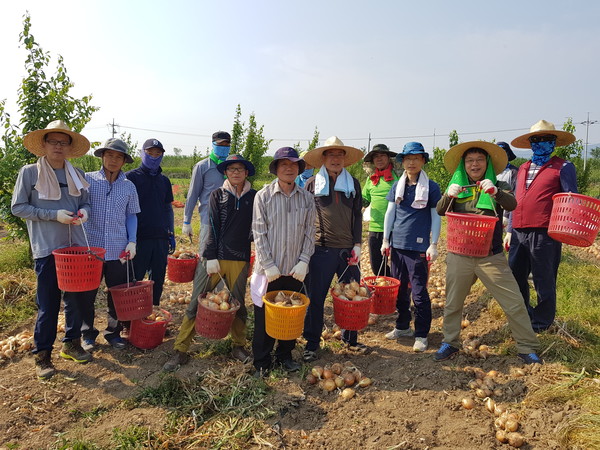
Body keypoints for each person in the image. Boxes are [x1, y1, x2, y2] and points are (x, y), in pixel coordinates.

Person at [434, 141, 542, 364]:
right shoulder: (457, 187)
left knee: (513, 302)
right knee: (453, 303)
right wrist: (448, 195)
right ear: (464, 165)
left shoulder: (498, 184)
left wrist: (496, 192)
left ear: (487, 164)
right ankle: (450, 342)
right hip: (460, 254)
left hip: (490, 256)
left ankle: (526, 346)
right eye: (470, 161)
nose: (475, 164)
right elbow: (440, 210)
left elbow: (512, 205)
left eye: (479, 160)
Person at [12, 120, 93, 378]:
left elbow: (87, 202)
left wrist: (84, 213)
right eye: (53, 141)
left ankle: (71, 344)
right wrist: (52, 215)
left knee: (75, 299)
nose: (58, 146)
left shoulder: (76, 174)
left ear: (70, 147)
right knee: (48, 304)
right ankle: (43, 355)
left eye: (63, 142)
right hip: (47, 248)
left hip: (74, 248)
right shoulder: (30, 173)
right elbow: (18, 207)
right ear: (44, 145)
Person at [164, 155, 257, 371]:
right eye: (231, 169)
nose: (235, 172)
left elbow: (256, 227)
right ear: (225, 172)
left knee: (238, 304)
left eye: (240, 169)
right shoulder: (218, 194)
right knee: (197, 300)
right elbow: (213, 225)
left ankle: (238, 345)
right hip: (213, 257)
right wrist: (211, 255)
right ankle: (181, 349)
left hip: (239, 257)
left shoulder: (254, 197)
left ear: (246, 173)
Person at [506, 120, 577, 332]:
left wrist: (566, 228)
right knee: (515, 276)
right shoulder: (523, 168)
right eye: (536, 139)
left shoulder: (563, 167)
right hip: (519, 230)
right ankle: (525, 315)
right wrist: (510, 230)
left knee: (543, 278)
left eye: (546, 139)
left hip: (545, 232)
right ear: (530, 143)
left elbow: (570, 199)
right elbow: (516, 199)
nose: (541, 143)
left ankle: (541, 322)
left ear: (554, 142)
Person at [251, 147, 316, 376]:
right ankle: (261, 360)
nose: (289, 168)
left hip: (295, 270)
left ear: (299, 169)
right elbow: (259, 233)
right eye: (283, 164)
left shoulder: (307, 198)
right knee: (265, 315)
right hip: (270, 270)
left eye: (293, 164)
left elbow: (310, 232)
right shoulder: (264, 196)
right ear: (276, 169)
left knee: (291, 314)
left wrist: (304, 260)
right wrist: (268, 265)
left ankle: (285, 355)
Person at [302, 136, 365, 362]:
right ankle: (311, 342)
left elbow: (357, 215)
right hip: (321, 250)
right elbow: (304, 218)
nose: (335, 159)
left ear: (345, 159)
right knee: (316, 298)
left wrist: (357, 244)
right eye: (331, 155)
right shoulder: (311, 185)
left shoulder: (353, 184)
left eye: (339, 155)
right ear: (323, 158)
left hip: (347, 251)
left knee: (351, 296)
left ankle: (351, 339)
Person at [80, 138, 141, 350]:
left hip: (118, 248)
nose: (113, 160)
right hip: (91, 249)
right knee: (87, 293)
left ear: (124, 161)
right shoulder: (87, 181)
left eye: (118, 157)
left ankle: (113, 333)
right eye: (110, 155)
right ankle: (87, 333)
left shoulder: (129, 186)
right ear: (102, 156)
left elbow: (131, 215)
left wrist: (132, 241)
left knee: (117, 292)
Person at [381, 142, 441, 352]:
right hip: (397, 245)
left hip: (417, 248)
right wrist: (385, 240)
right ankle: (402, 326)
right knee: (399, 290)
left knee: (418, 292)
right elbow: (390, 213)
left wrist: (433, 244)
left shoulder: (431, 187)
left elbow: (436, 215)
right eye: (408, 158)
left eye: (416, 158)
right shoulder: (398, 186)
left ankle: (422, 334)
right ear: (403, 162)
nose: (412, 162)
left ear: (423, 160)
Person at [126, 138, 175, 306]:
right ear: (142, 153)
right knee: (135, 278)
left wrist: (171, 233)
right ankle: (131, 316)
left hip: (160, 237)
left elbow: (167, 208)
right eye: (150, 153)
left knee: (158, 278)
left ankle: (153, 310)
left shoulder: (164, 181)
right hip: (139, 238)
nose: (154, 157)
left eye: (158, 154)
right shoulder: (130, 178)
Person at [182, 131, 231, 255]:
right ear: (213, 144)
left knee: (225, 257)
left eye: (226, 145)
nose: (224, 148)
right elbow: (193, 195)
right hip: (208, 219)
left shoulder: (232, 167)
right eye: (220, 144)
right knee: (206, 256)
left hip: (230, 220)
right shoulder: (202, 167)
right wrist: (186, 221)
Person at [362, 143, 398, 277]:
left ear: (388, 158)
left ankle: (398, 291)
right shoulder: (371, 180)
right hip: (375, 227)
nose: (379, 159)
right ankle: (387, 286)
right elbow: (364, 200)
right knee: (376, 265)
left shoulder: (398, 178)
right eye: (376, 157)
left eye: (383, 155)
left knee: (397, 264)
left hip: (396, 228)